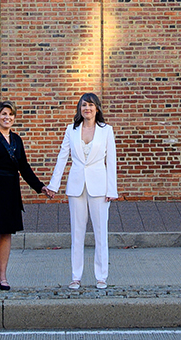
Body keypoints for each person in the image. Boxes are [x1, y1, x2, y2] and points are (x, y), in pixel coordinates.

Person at [46, 91, 119, 289]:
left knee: (100, 233)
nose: (87, 108)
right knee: (77, 233)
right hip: (76, 186)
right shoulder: (71, 130)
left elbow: (111, 161)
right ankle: (75, 276)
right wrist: (53, 185)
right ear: (79, 109)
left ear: (97, 109)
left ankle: (101, 276)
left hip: (99, 186)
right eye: (84, 105)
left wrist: (112, 189)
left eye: (91, 105)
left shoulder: (106, 130)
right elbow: (62, 157)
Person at [0, 100, 47, 291]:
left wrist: (40, 187)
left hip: (10, 191)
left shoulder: (16, 140)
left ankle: (3, 276)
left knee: (6, 233)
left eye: (11, 114)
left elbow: (24, 167)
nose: (8, 117)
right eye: (4, 114)